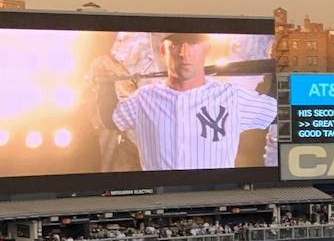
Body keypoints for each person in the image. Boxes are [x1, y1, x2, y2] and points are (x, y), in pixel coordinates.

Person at [109, 32, 278, 173]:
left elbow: (280, 110)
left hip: (214, 197)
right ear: (163, 49)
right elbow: (110, 120)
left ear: (207, 49)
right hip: (159, 198)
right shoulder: (143, 98)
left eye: (193, 43)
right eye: (176, 44)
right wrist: (105, 81)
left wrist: (282, 70)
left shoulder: (232, 96)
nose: (184, 53)